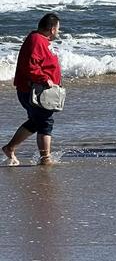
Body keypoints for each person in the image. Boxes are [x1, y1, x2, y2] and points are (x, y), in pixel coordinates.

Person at [2, 13, 62, 166]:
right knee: (45, 122)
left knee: (36, 122)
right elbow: (30, 66)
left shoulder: (42, 40)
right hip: (33, 90)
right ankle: (45, 158)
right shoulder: (36, 40)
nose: (58, 32)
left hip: (42, 90)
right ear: (52, 29)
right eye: (58, 29)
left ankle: (10, 148)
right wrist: (44, 79)